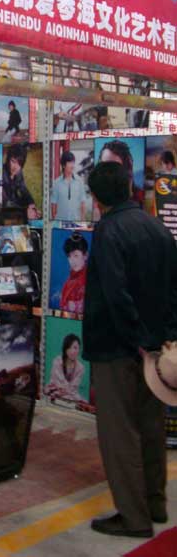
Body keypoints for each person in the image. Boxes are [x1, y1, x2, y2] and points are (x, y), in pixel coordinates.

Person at [83, 161, 177, 538]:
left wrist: (136, 338)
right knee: (151, 427)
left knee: (119, 434)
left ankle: (133, 518)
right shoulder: (158, 228)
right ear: (129, 187)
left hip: (118, 349)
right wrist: (163, 337)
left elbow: (116, 295)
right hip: (156, 350)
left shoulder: (108, 231)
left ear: (96, 197)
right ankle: (155, 503)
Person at [99, 139, 143, 206]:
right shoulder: (98, 196)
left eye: (114, 168)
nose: (108, 174)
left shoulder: (139, 196)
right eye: (104, 166)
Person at [1, 145, 40, 220]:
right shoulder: (0, 174)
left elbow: (23, 189)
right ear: (7, 159)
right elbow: (4, 202)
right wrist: (25, 212)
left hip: (14, 202)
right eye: (13, 161)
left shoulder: (18, 172)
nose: (15, 167)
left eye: (19, 164)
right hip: (4, 208)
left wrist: (31, 204)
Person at [45, 334, 85, 401]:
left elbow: (73, 387)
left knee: (81, 400)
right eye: (69, 347)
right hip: (53, 392)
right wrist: (64, 390)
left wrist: (67, 391)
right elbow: (59, 385)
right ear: (65, 349)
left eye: (76, 348)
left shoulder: (80, 368)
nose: (73, 351)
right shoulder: (57, 361)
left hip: (70, 395)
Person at [50, 151, 87, 221]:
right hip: (60, 221)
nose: (72, 165)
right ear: (63, 165)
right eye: (69, 162)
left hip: (76, 221)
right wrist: (54, 221)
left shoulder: (79, 181)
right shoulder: (56, 183)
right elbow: (53, 204)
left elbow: (83, 203)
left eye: (73, 162)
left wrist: (83, 220)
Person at [60, 232, 88, 315]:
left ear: (85, 255)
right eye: (69, 256)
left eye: (76, 255)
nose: (72, 261)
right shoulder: (68, 283)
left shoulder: (89, 279)